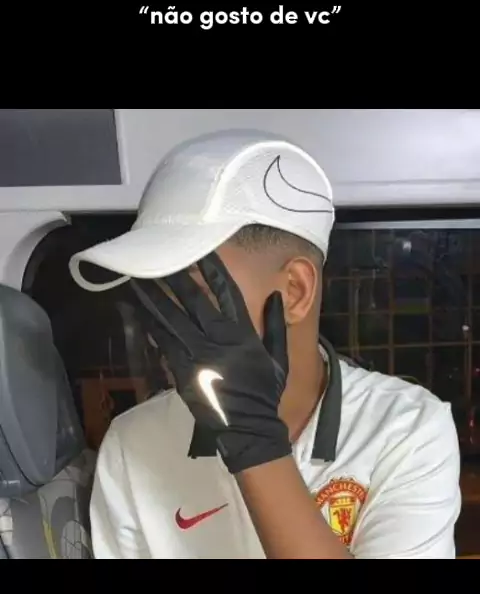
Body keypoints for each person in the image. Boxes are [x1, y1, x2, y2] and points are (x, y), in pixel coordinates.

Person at [69, 130, 462, 559]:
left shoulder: (406, 431)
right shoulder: (134, 443)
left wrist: (255, 444)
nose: (167, 327)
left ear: (294, 290)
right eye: (159, 297)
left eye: (195, 295)